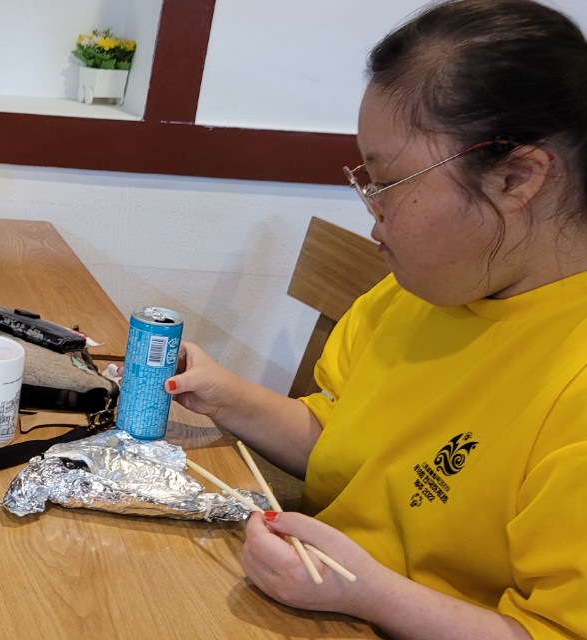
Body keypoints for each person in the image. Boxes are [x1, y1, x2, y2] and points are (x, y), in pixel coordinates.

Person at [165, 1, 587, 637]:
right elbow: (346, 447)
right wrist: (227, 396)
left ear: (516, 176)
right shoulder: (421, 290)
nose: (372, 210)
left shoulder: (570, 378)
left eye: (387, 182)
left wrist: (370, 595)